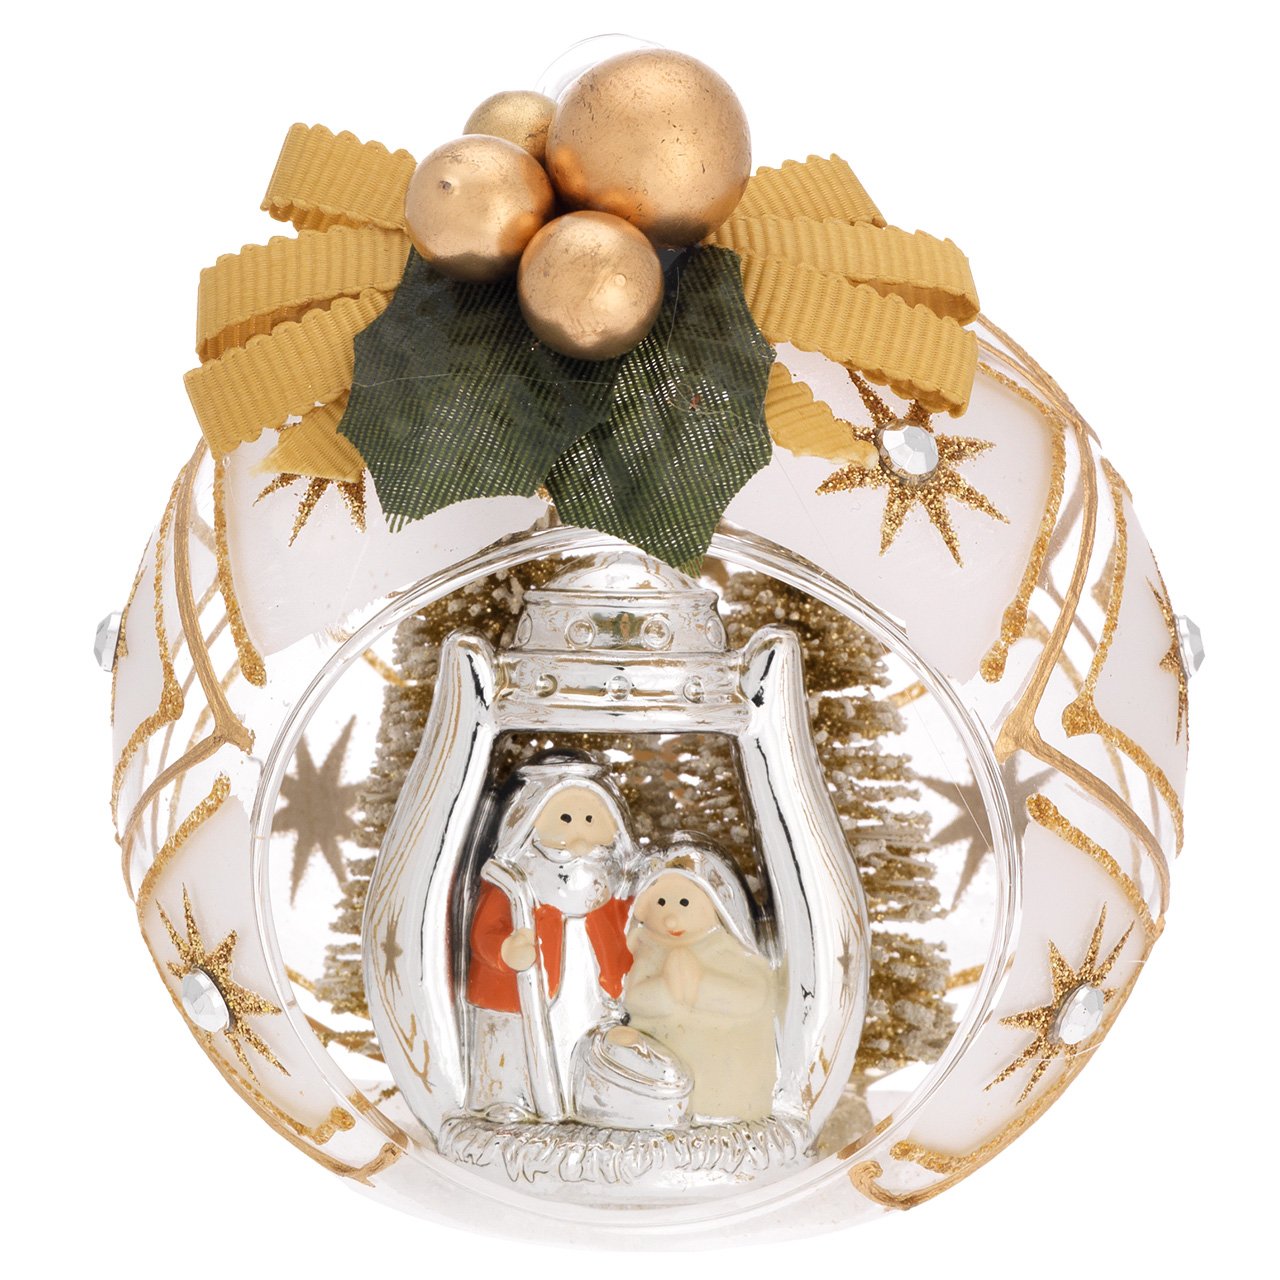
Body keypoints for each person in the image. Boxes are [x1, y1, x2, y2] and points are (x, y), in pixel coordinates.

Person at [464, 756, 636, 1122]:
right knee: (513, 1044)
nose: (579, 833)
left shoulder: (606, 877)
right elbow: (484, 931)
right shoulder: (513, 878)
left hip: (586, 987)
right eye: (566, 818)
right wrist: (506, 950)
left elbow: (623, 924)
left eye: (590, 819)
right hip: (520, 992)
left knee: (581, 1037)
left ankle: (579, 1097)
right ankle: (511, 1098)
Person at [622, 838, 778, 1122]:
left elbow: (752, 997)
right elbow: (634, 999)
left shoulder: (727, 949)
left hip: (726, 1076)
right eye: (660, 903)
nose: (671, 919)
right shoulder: (647, 951)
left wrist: (700, 986)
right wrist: (667, 990)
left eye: (684, 902)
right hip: (666, 1078)